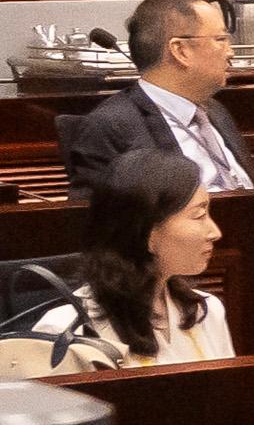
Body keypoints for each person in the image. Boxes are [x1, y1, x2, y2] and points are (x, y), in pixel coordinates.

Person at [33, 149, 232, 366]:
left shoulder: (207, 311)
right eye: (199, 216)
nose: (215, 232)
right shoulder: (67, 330)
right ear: (146, 233)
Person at [64, 0, 254, 197]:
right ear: (180, 50)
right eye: (220, 39)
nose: (230, 51)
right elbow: (100, 221)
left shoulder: (216, 111)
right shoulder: (111, 127)